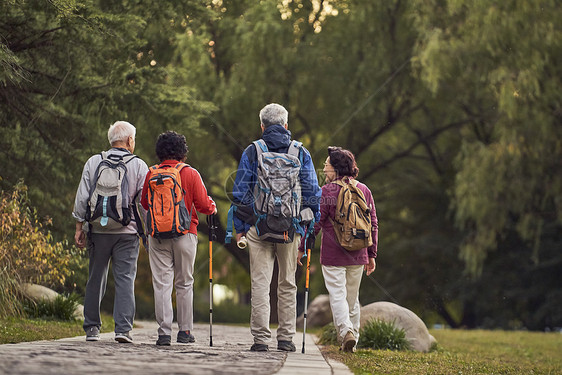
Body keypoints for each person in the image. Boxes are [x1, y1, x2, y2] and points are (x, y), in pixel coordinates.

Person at [230, 103, 321, 352]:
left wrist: (241, 227)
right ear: (286, 125)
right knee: (287, 283)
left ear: (262, 126)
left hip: (258, 229)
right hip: (290, 229)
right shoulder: (301, 152)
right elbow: (313, 196)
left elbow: (240, 193)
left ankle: (260, 340)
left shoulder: (253, 150)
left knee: (259, 283)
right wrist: (306, 233)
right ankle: (286, 339)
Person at [73, 120, 149, 343]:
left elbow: (82, 196)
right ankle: (123, 330)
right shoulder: (139, 165)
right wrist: (148, 231)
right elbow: (144, 204)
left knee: (96, 276)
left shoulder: (94, 161)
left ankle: (92, 329)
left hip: (97, 230)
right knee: (125, 278)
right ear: (130, 140)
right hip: (128, 232)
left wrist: (79, 226)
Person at [140, 131, 217, 346]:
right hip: (185, 234)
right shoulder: (190, 173)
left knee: (162, 284)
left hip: (157, 236)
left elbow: (145, 204)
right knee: (184, 283)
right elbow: (203, 206)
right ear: (183, 152)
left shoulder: (151, 173)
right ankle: (185, 332)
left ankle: (164, 333)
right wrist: (213, 205)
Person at [299, 146, 378, 352]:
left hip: (333, 254)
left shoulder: (327, 191)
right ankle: (353, 340)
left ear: (335, 169)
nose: (324, 169)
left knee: (337, 295)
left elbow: (315, 224)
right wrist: (371, 254)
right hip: (359, 253)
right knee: (352, 299)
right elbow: (373, 224)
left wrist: (303, 247)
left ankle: (345, 332)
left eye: (326, 165)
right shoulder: (364, 190)